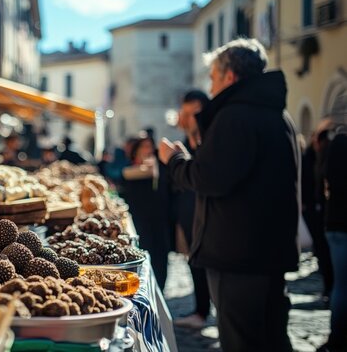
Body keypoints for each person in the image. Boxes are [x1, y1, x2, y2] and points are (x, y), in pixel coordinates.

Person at [159, 38, 298, 352]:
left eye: (213, 78)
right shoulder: (278, 116)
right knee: (272, 339)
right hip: (265, 252)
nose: (210, 87)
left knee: (244, 341)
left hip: (239, 257)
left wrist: (175, 160)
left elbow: (208, 178)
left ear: (230, 77)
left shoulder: (236, 116)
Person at [172, 90, 212, 330]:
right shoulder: (190, 136)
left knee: (204, 261)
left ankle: (203, 310)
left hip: (204, 210)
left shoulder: (209, 137)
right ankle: (201, 309)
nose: (187, 118)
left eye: (192, 113)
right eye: (185, 113)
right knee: (194, 260)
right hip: (189, 209)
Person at [122, 135, 171, 290]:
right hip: (139, 219)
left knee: (160, 256)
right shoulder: (129, 168)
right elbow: (127, 174)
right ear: (136, 150)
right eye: (144, 146)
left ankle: (159, 288)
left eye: (150, 146)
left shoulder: (158, 166)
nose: (148, 150)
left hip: (157, 218)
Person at [319, 124, 347, 352]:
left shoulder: (338, 141)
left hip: (336, 221)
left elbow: (326, 178)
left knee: (341, 286)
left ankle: (337, 339)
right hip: (338, 224)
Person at [302, 122, 334, 301]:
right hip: (318, 211)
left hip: (324, 213)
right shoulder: (312, 157)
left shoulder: (322, 158)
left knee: (325, 251)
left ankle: (329, 288)